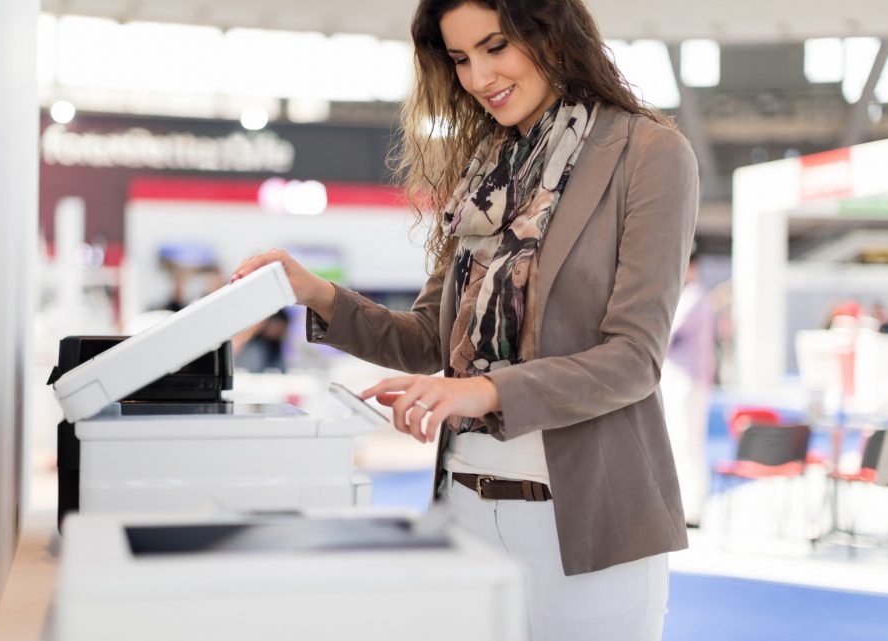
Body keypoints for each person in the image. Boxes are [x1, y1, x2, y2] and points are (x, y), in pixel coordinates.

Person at [231, 1, 698, 639]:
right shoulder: (484, 173)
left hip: (589, 523)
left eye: (495, 47)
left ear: (552, 34)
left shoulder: (647, 152)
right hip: (464, 510)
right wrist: (316, 294)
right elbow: (429, 340)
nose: (478, 77)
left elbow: (634, 359)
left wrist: (481, 390)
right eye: (460, 59)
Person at [662, 253, 716, 528]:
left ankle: (689, 506)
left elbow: (665, 334)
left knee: (684, 443)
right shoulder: (697, 296)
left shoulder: (692, 296)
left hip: (685, 380)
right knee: (689, 444)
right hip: (692, 380)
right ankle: (692, 504)